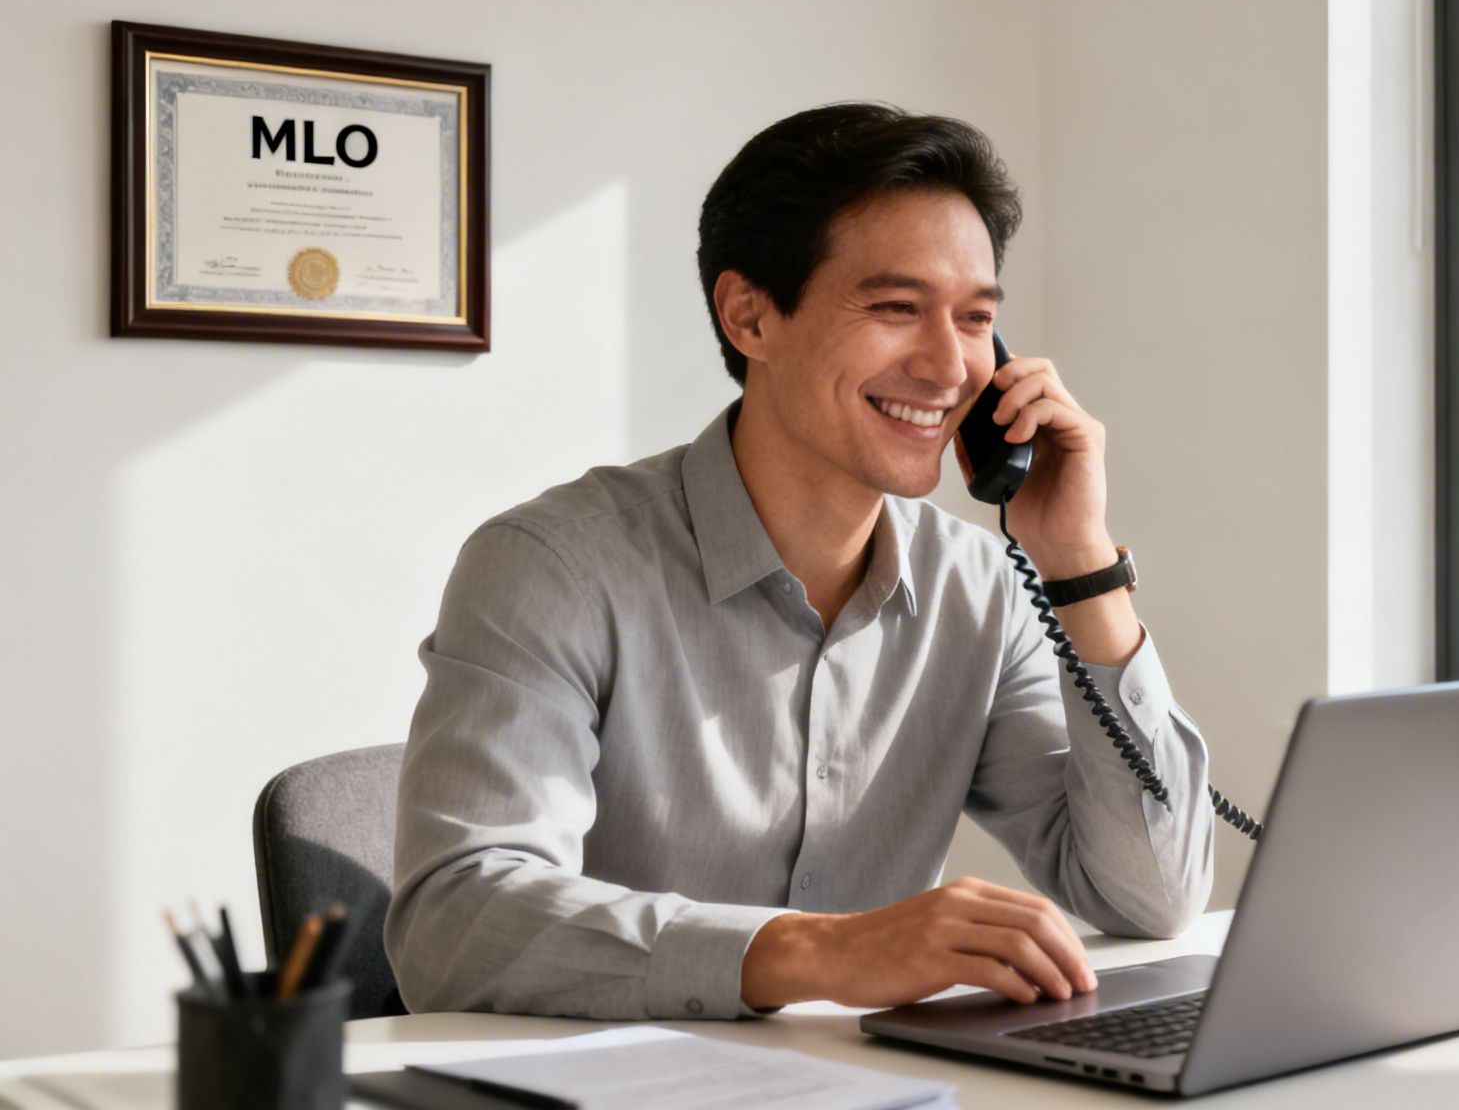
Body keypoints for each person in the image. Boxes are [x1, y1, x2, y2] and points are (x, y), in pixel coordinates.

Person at [385, 102, 1215, 1021]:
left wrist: (1081, 564)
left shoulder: (980, 587)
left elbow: (1153, 895)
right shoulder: (553, 568)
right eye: (898, 308)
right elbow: (455, 922)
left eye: (976, 319)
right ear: (749, 315)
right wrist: (815, 951)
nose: (950, 368)